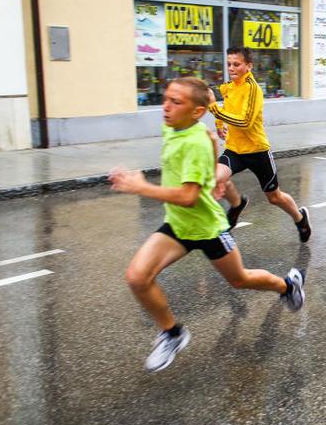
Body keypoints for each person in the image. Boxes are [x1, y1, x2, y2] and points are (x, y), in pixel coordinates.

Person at [110, 77, 305, 372]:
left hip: (208, 228)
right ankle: (173, 333)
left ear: (197, 111)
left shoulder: (195, 141)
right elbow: (212, 137)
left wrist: (140, 187)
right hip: (178, 227)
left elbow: (188, 197)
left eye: (176, 102)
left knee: (240, 280)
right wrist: (214, 176)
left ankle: (287, 286)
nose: (166, 106)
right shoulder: (177, 125)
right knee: (138, 277)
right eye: (166, 98)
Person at [208, 47, 312, 241]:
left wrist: (214, 109)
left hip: (257, 151)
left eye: (236, 64)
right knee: (215, 177)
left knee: (274, 197)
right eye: (229, 64)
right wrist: (219, 124)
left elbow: (245, 122)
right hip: (234, 150)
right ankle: (237, 204)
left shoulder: (253, 89)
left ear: (248, 66)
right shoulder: (230, 86)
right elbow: (227, 109)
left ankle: (300, 218)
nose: (231, 68)